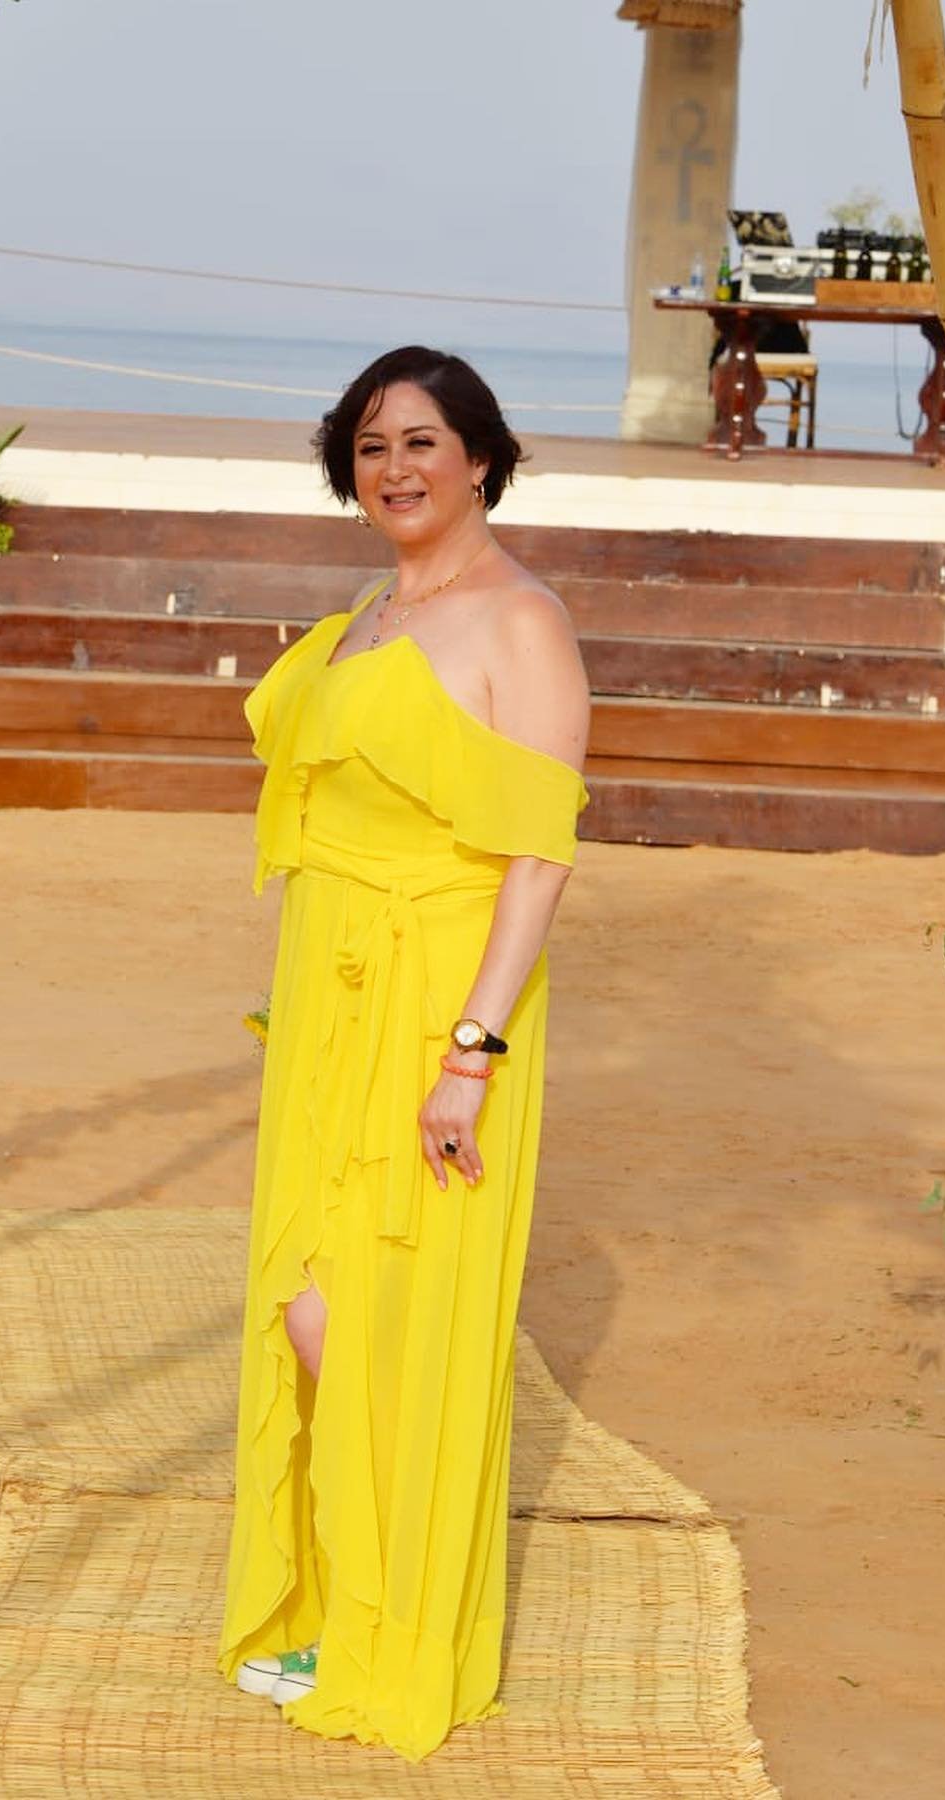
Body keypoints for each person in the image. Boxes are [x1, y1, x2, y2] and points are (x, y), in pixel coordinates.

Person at [216, 345, 590, 1760]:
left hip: (442, 996)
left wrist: (471, 1051)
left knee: (384, 1318)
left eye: (423, 441)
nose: (396, 469)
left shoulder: (521, 621)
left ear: (481, 458)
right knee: (306, 1299)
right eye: (372, 446)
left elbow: (538, 858)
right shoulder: (369, 615)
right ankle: (343, 1604)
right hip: (330, 998)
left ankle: (396, 1636)